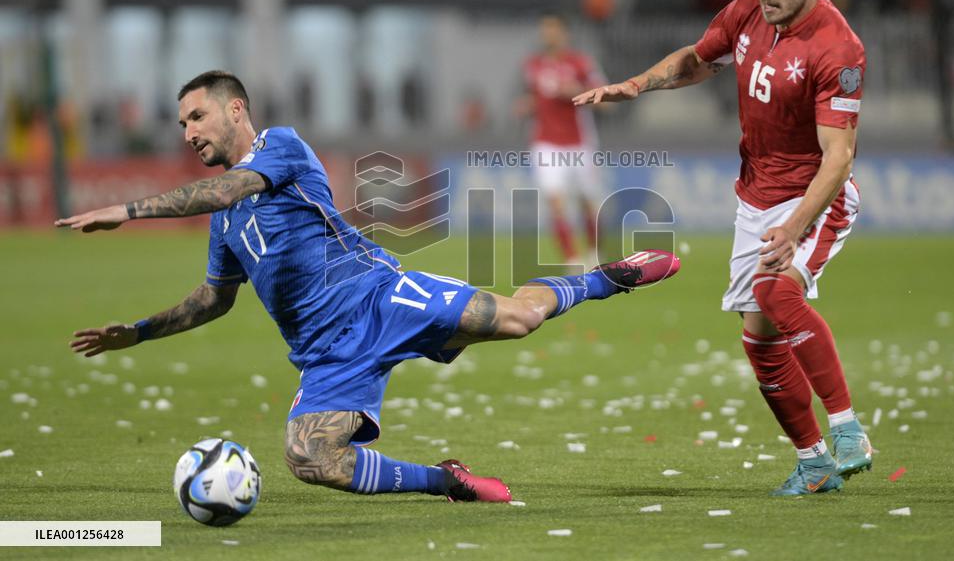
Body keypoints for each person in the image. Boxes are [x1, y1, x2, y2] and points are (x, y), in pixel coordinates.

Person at [57, 70, 681, 503]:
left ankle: (607, 277)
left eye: (197, 116)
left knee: (519, 319)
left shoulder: (282, 148)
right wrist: (135, 333)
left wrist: (131, 210)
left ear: (235, 109)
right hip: (327, 356)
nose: (188, 131)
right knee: (308, 459)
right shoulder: (224, 222)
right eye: (182, 123)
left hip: (380, 298)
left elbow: (229, 187)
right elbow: (214, 298)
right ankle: (445, 482)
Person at [574, 0, 872, 496]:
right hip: (755, 198)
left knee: (775, 291)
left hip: (813, 197)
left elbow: (839, 157)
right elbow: (699, 59)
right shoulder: (745, 14)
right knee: (759, 339)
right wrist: (637, 84)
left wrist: (793, 226)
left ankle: (847, 428)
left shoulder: (839, 47)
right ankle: (814, 463)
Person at [516, 13, 607, 269]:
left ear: (564, 34)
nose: (548, 35)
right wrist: (527, 105)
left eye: (553, 30)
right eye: (545, 30)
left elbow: (606, 102)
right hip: (545, 143)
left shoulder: (581, 64)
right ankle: (572, 259)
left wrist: (577, 92)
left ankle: (593, 253)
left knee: (588, 202)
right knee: (555, 202)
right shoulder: (532, 65)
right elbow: (536, 97)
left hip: (579, 143)